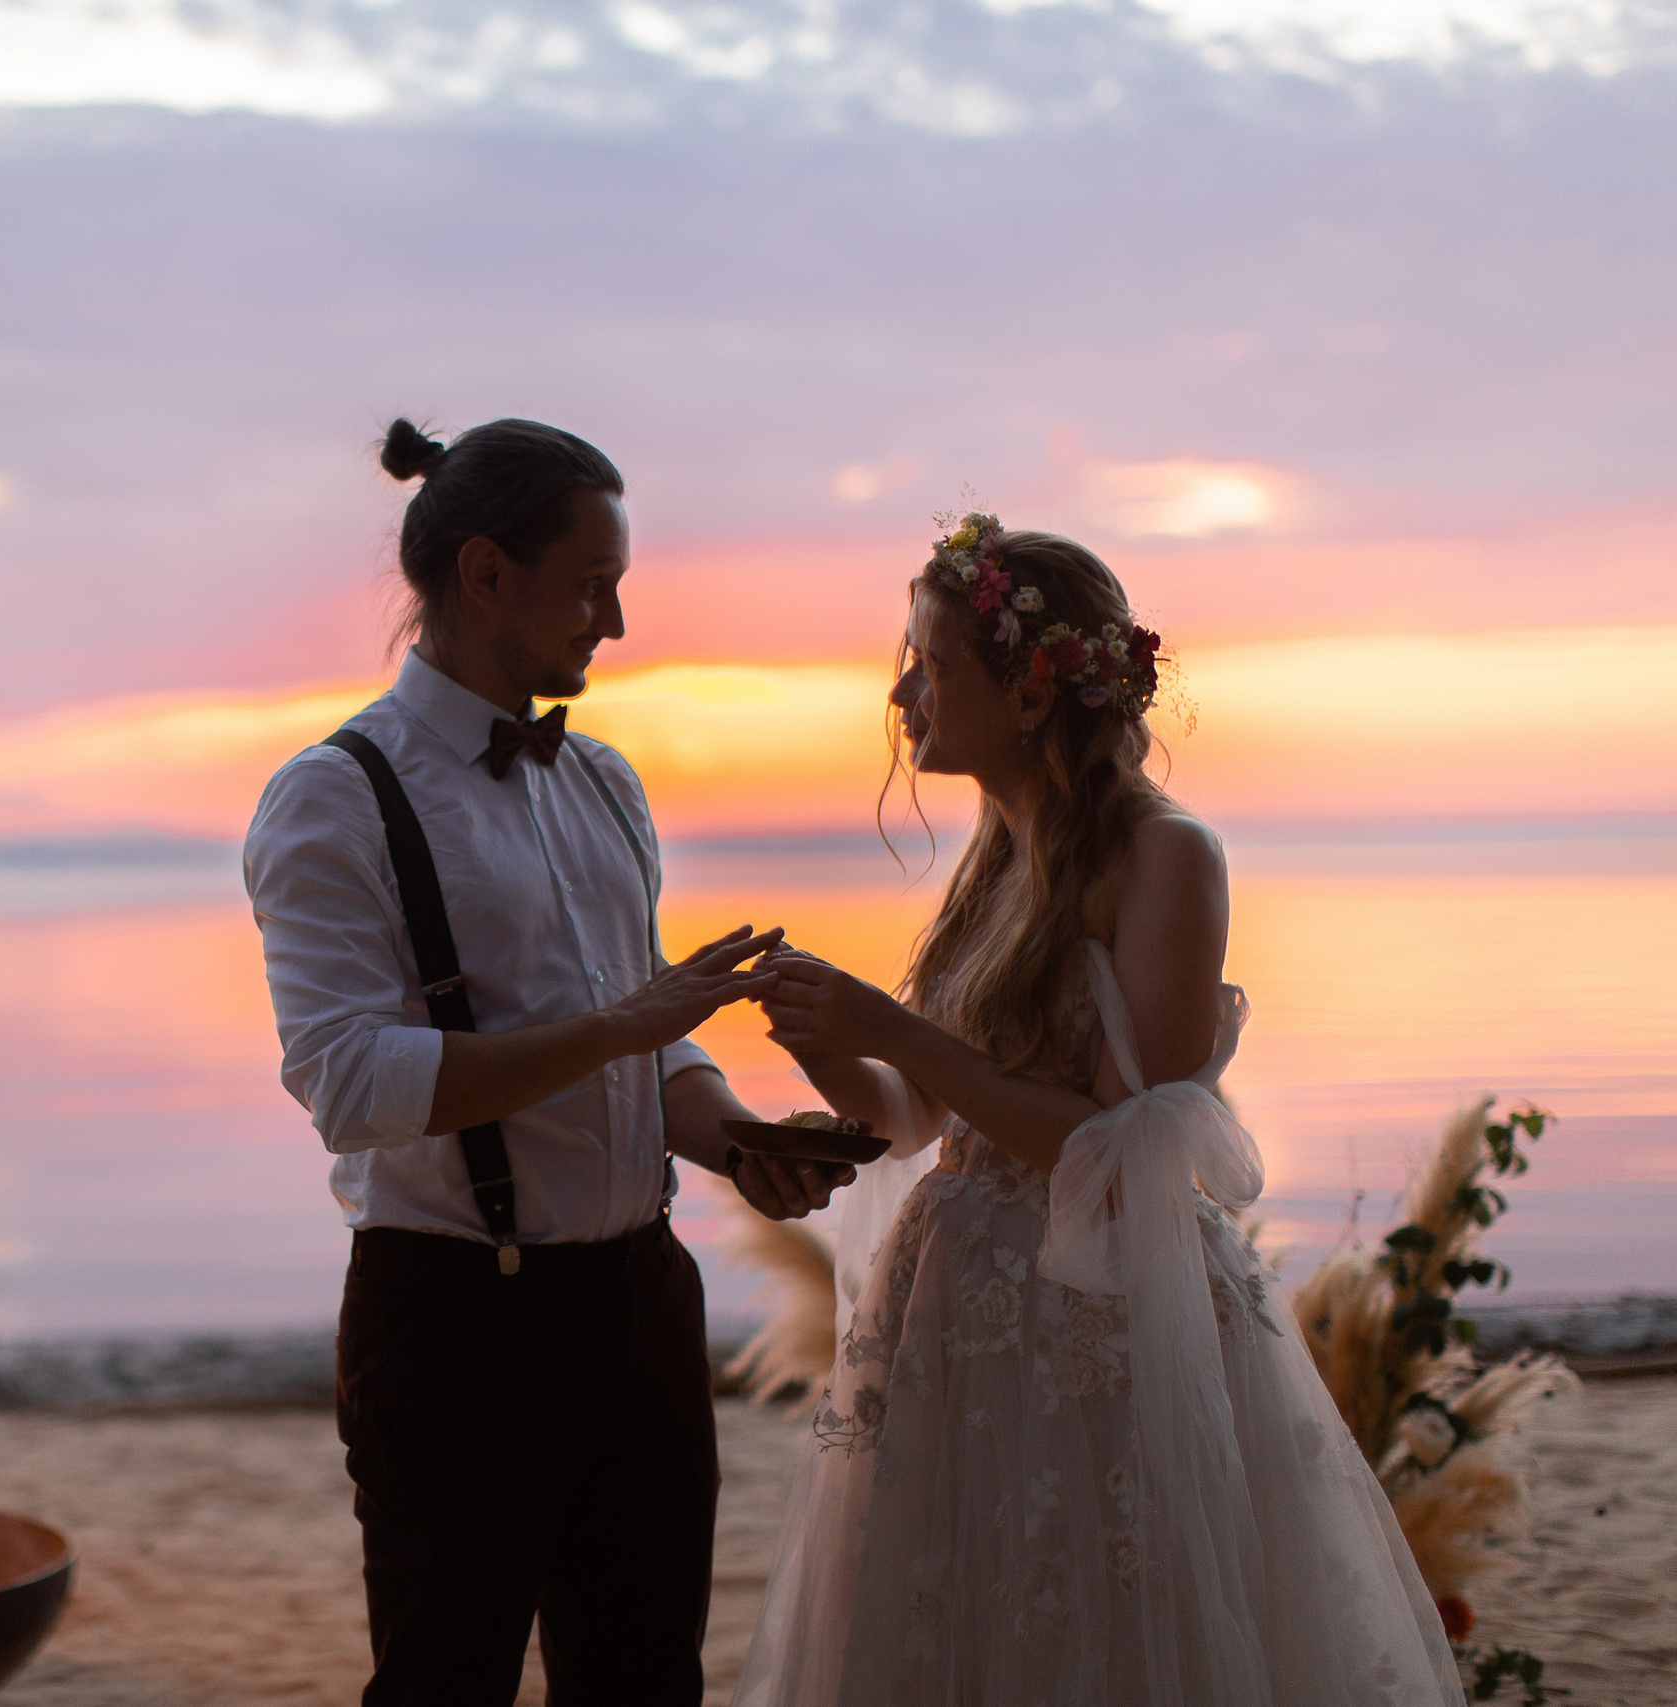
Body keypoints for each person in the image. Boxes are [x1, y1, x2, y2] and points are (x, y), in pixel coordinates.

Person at [731, 514, 1464, 1705]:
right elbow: (913, 1116)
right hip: (956, 1319)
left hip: (1096, 1323)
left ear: (1030, 693)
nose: (902, 695)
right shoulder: (994, 859)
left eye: (931, 665)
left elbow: (1120, 1158)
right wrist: (818, 1037)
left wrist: (892, 1028)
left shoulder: (1165, 856)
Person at [244, 416, 852, 1707]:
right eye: (589, 585)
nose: (615, 623)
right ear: (484, 573)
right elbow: (350, 1083)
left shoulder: (607, 784)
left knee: (646, 1685)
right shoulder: (333, 795)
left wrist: (735, 1137)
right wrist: (625, 1027)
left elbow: (647, 1035)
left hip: (643, 1304)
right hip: (457, 1321)